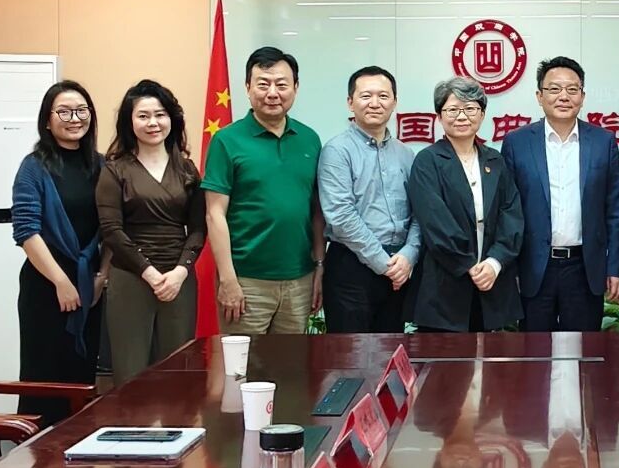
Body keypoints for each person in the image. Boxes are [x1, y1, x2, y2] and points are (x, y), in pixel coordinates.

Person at [202, 47, 324, 334]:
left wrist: (319, 266)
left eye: (281, 84)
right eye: (263, 84)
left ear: (295, 88)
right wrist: (228, 279)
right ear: (247, 88)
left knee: (291, 360)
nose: (272, 93)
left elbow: (317, 211)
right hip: (246, 281)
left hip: (299, 279)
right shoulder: (227, 140)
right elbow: (214, 214)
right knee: (243, 361)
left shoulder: (309, 139)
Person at [500, 57, 619, 332]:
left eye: (572, 89)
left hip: (584, 267)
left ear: (582, 96)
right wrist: (510, 269)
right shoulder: (517, 143)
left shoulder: (603, 142)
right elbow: (507, 212)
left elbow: (615, 210)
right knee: (535, 351)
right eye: (554, 89)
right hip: (534, 267)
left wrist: (614, 267)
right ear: (539, 96)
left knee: (583, 349)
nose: (564, 96)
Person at [96, 79, 205, 385]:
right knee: (130, 372)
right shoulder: (115, 169)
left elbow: (199, 227)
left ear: (172, 118)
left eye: (160, 114)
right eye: (143, 116)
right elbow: (111, 230)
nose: (153, 123)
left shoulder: (187, 169)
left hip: (179, 280)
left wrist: (180, 272)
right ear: (129, 122)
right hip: (131, 278)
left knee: (177, 370)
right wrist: (150, 273)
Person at [12, 80, 107, 423]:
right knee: (43, 378)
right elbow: (26, 231)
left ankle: (75, 449)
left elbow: (113, 228)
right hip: (45, 287)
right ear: (48, 120)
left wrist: (101, 277)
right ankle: (36, 449)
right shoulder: (33, 166)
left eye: (82, 110)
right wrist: (61, 282)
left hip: (90, 286)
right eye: (64, 112)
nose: (75, 118)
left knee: (81, 377)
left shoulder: (102, 165)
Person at [406, 77, 523, 332]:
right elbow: (436, 223)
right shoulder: (427, 161)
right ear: (439, 116)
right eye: (452, 110)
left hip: (492, 284)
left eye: (470, 109)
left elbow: (511, 215)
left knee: (491, 357)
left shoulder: (495, 160)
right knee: (445, 357)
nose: (462, 116)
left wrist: (494, 263)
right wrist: (470, 265)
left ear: (482, 114)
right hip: (444, 286)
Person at [317, 65, 420, 333]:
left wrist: (409, 255)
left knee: (391, 349)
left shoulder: (406, 154)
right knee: (350, 353)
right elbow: (341, 216)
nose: (375, 103)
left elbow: (419, 213)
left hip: (398, 267)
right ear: (350, 102)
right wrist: (384, 264)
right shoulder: (336, 151)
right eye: (366, 96)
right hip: (351, 268)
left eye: (383, 96)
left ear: (394, 102)